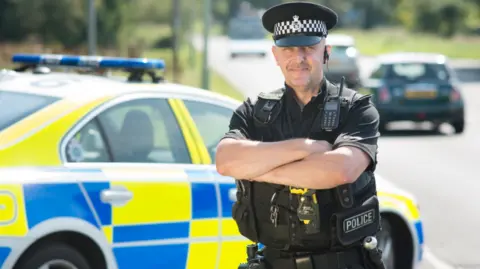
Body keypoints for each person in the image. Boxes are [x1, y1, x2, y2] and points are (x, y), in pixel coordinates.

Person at [216, 1, 385, 269]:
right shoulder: (254, 112)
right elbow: (226, 161)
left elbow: (341, 170)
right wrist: (305, 148)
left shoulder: (357, 108)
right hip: (273, 262)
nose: (299, 58)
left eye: (308, 48)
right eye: (289, 49)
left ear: (325, 52)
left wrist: (256, 169)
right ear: (275, 55)